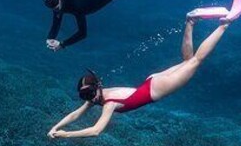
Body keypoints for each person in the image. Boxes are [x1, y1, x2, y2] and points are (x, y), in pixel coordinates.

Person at [48, 16, 230, 138]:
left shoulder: (109, 103)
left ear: (97, 88)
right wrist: (55, 127)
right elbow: (75, 114)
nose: (89, 100)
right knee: (187, 61)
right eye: (85, 97)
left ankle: (224, 25)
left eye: (89, 95)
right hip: (152, 81)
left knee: (196, 61)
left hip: (157, 88)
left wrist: (67, 135)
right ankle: (190, 22)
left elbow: (96, 131)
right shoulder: (99, 95)